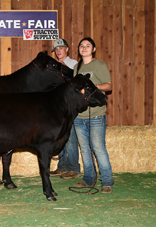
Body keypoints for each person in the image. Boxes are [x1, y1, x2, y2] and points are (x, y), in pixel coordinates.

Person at [72, 37, 114, 194]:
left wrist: (92, 87)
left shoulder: (99, 65)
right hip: (79, 116)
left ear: (93, 49)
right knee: (84, 148)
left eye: (87, 46)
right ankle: (88, 179)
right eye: (81, 46)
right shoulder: (77, 67)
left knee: (98, 147)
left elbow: (109, 86)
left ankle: (107, 181)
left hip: (96, 115)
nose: (84, 48)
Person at [49, 38, 81, 180]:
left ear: (67, 49)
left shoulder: (74, 64)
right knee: (62, 137)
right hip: (58, 107)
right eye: (56, 49)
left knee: (71, 137)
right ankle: (62, 166)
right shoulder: (54, 66)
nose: (58, 51)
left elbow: (76, 84)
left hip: (69, 107)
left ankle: (73, 168)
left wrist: (63, 69)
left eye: (61, 48)